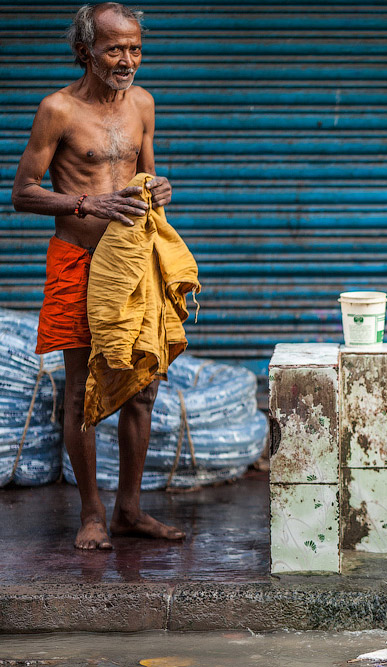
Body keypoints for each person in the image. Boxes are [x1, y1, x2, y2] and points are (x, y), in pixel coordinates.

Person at [11, 2, 184, 550]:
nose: (127, 59)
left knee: (142, 389)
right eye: (114, 48)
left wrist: (160, 189)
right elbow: (23, 193)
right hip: (77, 261)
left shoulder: (144, 104)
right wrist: (87, 205)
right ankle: (92, 513)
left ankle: (130, 510)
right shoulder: (56, 110)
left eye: (134, 48)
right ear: (84, 51)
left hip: (132, 263)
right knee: (83, 387)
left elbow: (146, 172)